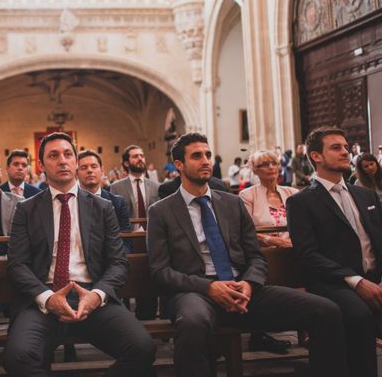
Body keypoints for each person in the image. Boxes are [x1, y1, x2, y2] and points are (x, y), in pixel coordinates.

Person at [147, 132, 349, 377]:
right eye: (197, 156)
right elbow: (161, 272)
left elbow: (255, 256)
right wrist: (209, 288)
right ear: (179, 165)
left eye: (208, 155)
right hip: (194, 292)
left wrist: (249, 284)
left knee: (326, 310)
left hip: (243, 288)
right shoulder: (161, 211)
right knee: (193, 322)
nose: (206, 161)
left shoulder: (231, 203)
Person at [4, 132, 155, 376]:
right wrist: (47, 297)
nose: (62, 161)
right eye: (53, 156)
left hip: (91, 295)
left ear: (75, 161)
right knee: (17, 359)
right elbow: (17, 266)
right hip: (44, 298)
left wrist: (97, 295)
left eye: (67, 154)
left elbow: (118, 263)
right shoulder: (26, 209)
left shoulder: (102, 207)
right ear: (42, 166)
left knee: (143, 348)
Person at [288, 127, 382, 377]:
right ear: (316, 156)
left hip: (375, 277)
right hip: (336, 283)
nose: (345, 151)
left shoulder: (366, 194)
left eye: (345, 146)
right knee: (359, 314)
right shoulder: (302, 202)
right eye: (336, 147)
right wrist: (357, 281)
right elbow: (308, 255)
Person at [239, 150, 299, 354]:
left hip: (292, 250)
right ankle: (260, 334)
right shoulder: (247, 196)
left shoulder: (292, 193)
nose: (271, 167)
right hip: (262, 252)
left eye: (274, 163)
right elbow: (245, 230)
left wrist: (293, 240)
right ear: (255, 170)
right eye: (264, 164)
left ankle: (307, 326)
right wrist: (273, 241)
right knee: (260, 268)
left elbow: (302, 225)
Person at [109, 144, 160, 320]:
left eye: (142, 155)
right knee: (128, 278)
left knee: (148, 278)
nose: (140, 159)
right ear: (126, 163)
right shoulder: (116, 187)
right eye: (135, 156)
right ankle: (126, 319)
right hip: (128, 239)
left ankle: (148, 317)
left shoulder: (155, 186)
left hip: (150, 239)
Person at [77, 149, 132, 252]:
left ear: (102, 171)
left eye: (94, 166)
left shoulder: (118, 203)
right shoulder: (70, 201)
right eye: (84, 167)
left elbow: (125, 241)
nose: (89, 170)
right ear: (76, 173)